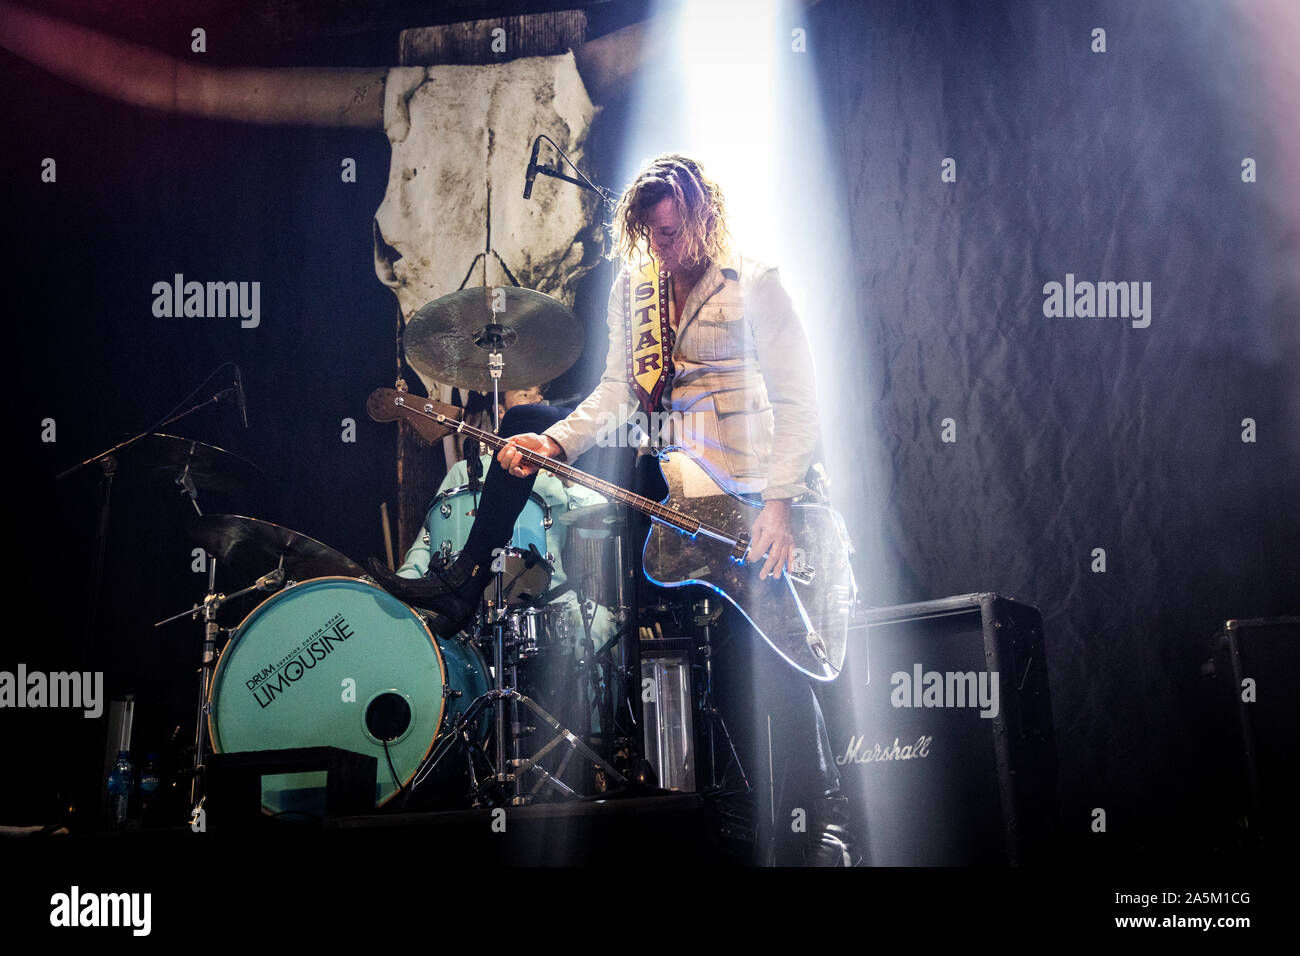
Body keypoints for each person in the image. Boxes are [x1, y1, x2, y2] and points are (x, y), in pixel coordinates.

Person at [380, 154, 854, 865]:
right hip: (686, 501)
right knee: (523, 427)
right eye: (655, 235)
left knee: (776, 661)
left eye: (677, 229)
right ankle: (464, 578)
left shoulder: (757, 285)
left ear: (705, 214)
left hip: (761, 501)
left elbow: (800, 402)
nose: (668, 246)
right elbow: (613, 395)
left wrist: (780, 508)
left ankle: (815, 829)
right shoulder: (636, 293)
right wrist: (554, 442)